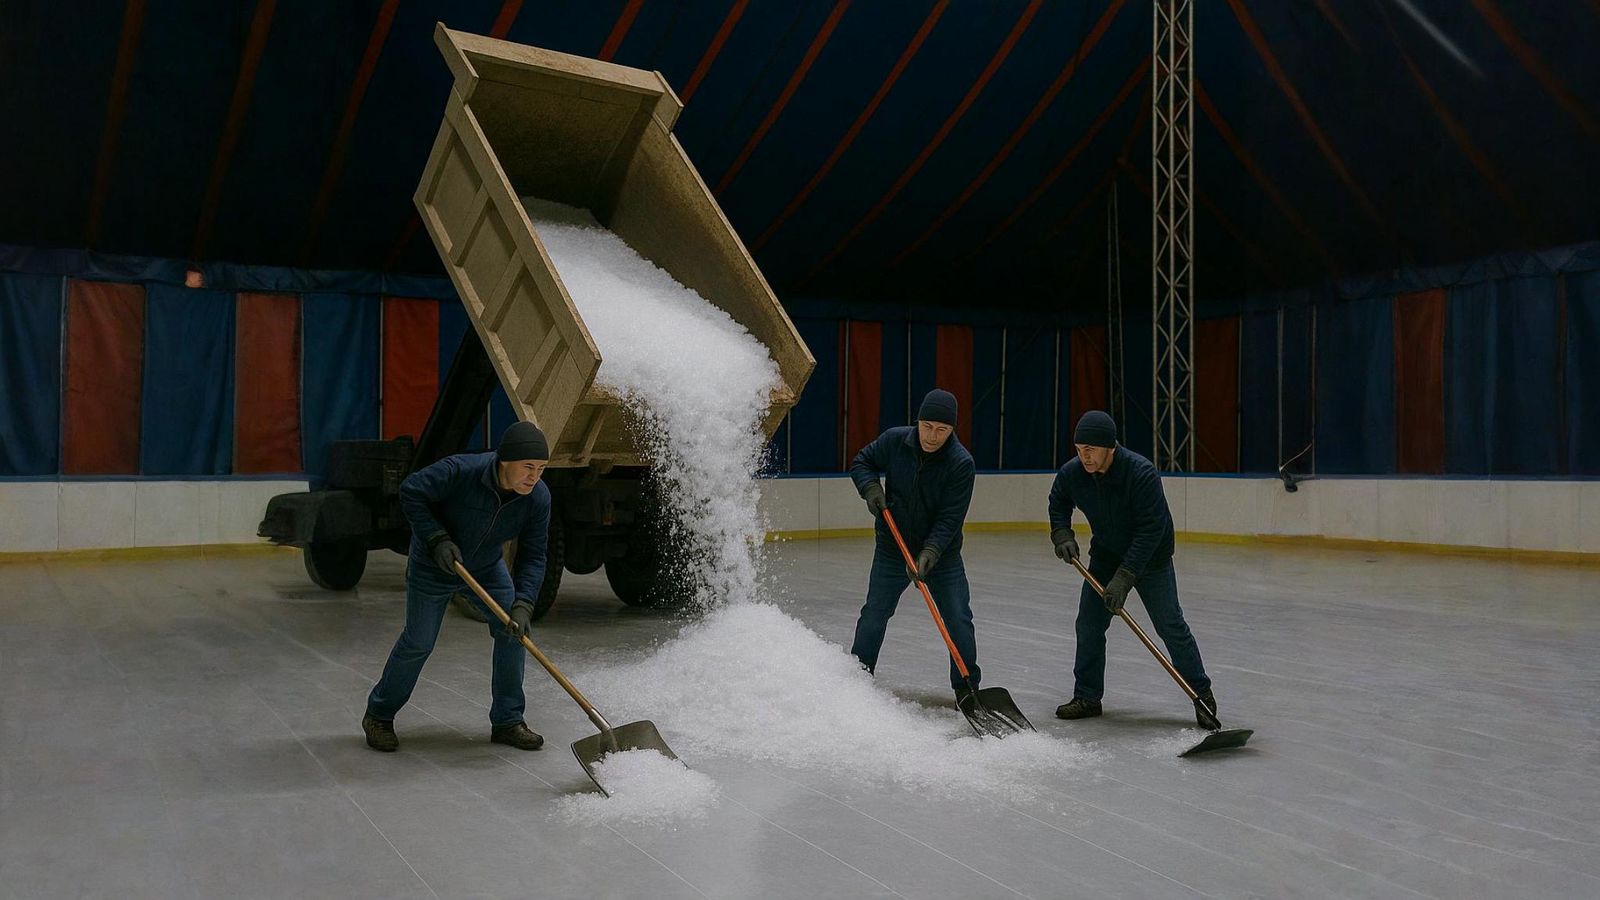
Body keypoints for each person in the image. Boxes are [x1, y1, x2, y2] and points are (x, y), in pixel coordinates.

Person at [361, 421, 552, 752]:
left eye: (541, 469)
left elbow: (534, 556)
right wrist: (437, 539)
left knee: (513, 632)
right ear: (505, 461)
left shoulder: (537, 498)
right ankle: (378, 715)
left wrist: (523, 604)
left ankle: (508, 720)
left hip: (487, 568)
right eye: (528, 467)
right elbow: (411, 491)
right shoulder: (461, 471)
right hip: (433, 565)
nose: (534, 477)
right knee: (419, 641)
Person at [1048, 410, 1218, 727]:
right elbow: (1058, 500)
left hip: (1151, 559)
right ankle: (1087, 696)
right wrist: (1062, 533)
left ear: (1110, 447)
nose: (1084, 455)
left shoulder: (1140, 474)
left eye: (1092, 449)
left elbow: (1151, 530)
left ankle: (1202, 696)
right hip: (1106, 555)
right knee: (1088, 625)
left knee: (1170, 626)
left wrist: (1125, 577)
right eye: (1079, 448)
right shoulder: (1073, 473)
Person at [848, 388, 981, 704]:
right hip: (893, 548)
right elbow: (862, 461)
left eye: (942, 430)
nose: (933, 436)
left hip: (941, 556)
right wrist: (869, 488)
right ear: (917, 421)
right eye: (928, 426)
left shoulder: (960, 463)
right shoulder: (895, 441)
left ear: (952, 430)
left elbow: (950, 518)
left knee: (958, 616)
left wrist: (930, 553)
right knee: (874, 613)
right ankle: (856, 675)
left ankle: (967, 687)